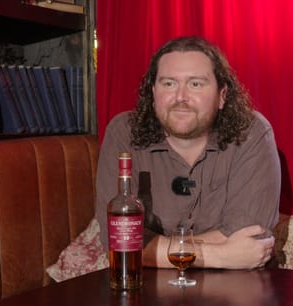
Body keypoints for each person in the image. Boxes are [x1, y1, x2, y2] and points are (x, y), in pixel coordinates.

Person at [96, 36, 281, 270]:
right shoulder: (123, 133)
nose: (181, 97)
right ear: (153, 93)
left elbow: (250, 239)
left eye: (196, 84)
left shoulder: (252, 133)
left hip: (238, 289)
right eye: (169, 83)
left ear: (222, 96)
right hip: (149, 290)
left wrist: (155, 249)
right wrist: (221, 255)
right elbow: (119, 241)